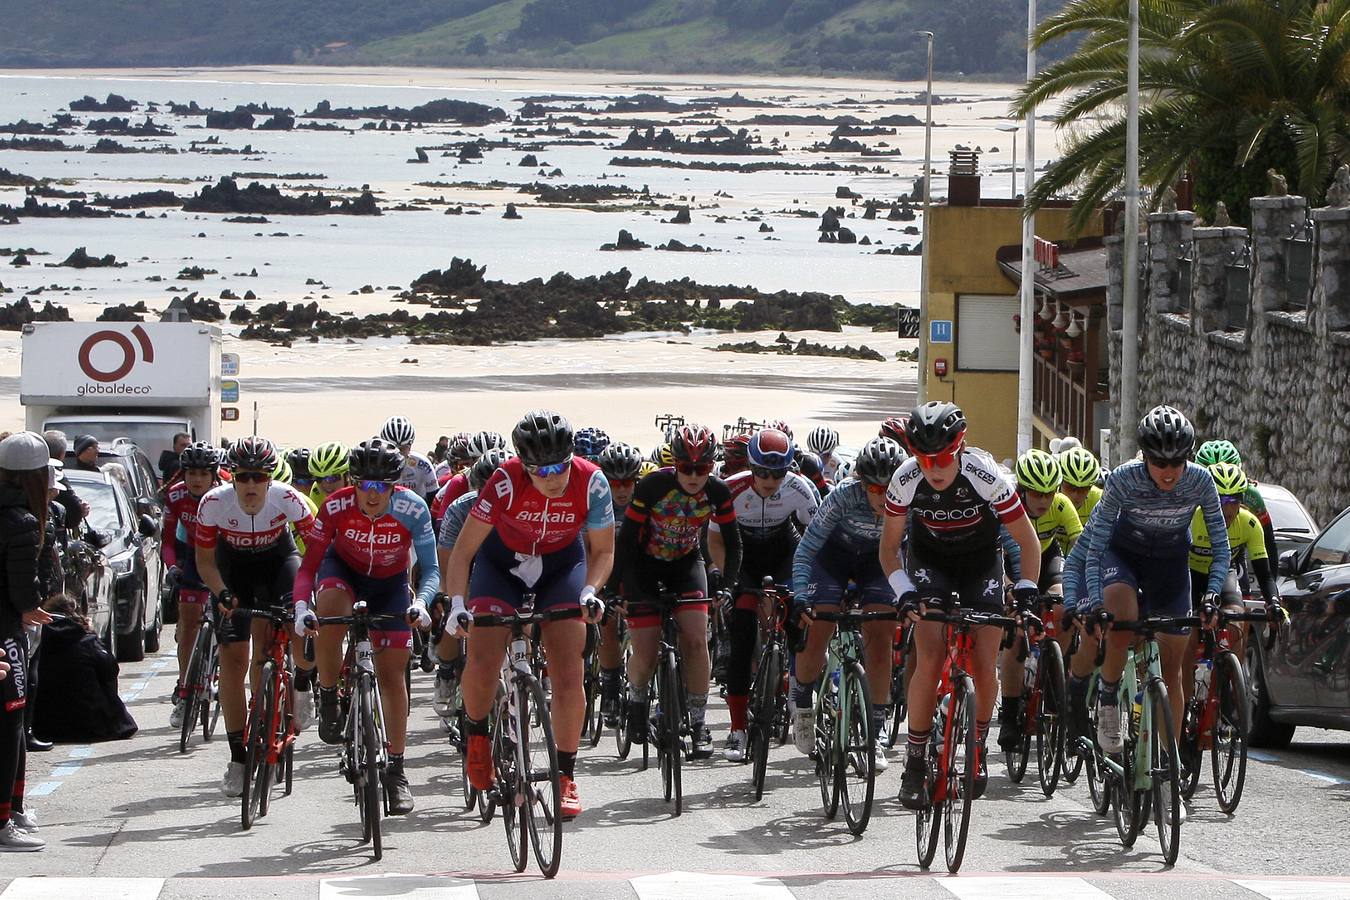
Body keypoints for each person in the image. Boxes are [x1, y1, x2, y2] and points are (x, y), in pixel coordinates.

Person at [446, 411, 613, 819]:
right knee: (484, 659)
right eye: (542, 470)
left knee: (569, 667)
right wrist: (455, 604)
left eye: (561, 466)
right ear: (524, 464)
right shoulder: (504, 480)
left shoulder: (591, 480)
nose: (554, 477)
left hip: (561, 566)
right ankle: (478, 735)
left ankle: (566, 775)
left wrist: (591, 590)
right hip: (499, 567)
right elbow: (464, 552)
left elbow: (604, 550)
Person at [878, 403, 1042, 808]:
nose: (933, 468)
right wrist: (903, 590)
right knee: (929, 657)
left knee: (986, 663)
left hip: (980, 564)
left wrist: (1024, 590)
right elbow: (888, 549)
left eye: (943, 458)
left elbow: (1027, 542)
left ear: (960, 446)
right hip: (929, 563)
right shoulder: (905, 479)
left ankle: (978, 747)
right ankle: (915, 763)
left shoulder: (986, 475)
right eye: (924, 458)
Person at [295, 439, 439, 816]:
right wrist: (299, 606)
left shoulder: (413, 508)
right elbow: (309, 566)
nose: (372, 495)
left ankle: (397, 771)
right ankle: (328, 697)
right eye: (364, 485)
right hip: (342, 572)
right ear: (353, 482)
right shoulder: (335, 505)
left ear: (396, 486)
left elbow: (432, 569)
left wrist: (421, 603)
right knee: (330, 611)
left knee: (392, 676)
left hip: (390, 584)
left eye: (382, 487)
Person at [1081, 405, 1228, 755]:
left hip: (1170, 562)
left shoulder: (1200, 481)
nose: (1169, 471)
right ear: (1144, 457)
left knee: (1174, 670)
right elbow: (1096, 546)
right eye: (1160, 462)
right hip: (1124, 556)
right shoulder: (1122, 478)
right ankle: (1107, 699)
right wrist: (1097, 603)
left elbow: (1221, 547)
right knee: (1123, 621)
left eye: (1177, 462)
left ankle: (1168, 765)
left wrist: (1211, 596)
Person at [194, 437, 317, 798]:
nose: (250, 485)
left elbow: (317, 549)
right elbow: (204, 561)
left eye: (258, 477)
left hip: (278, 563)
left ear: (269, 478)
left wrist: (310, 591)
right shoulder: (214, 503)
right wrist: (221, 593)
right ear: (232, 476)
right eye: (243, 477)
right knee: (233, 662)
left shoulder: (287, 498)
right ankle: (238, 758)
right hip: (233, 571)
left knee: (297, 619)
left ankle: (301, 685)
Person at [614, 424, 740, 761]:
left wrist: (727, 586)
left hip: (686, 564)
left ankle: (698, 723)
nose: (695, 476)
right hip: (644, 565)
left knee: (697, 640)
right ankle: (638, 699)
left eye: (703, 468)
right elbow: (625, 541)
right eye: (687, 468)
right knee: (645, 648)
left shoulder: (718, 491)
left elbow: (732, 543)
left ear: (712, 467)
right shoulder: (653, 485)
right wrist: (616, 590)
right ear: (676, 466)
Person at [791, 438, 903, 771]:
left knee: (881, 639)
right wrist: (800, 596)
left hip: (877, 562)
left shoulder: (911, 501)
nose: (882, 496)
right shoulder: (843, 496)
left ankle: (876, 730)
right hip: (833, 559)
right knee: (818, 628)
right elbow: (807, 549)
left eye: (890, 488)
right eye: (874, 488)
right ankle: (802, 703)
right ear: (860, 482)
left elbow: (916, 553)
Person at [720, 428, 818, 761]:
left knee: (797, 623)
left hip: (783, 550)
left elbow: (814, 536)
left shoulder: (799, 489)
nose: (770, 480)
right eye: (762, 471)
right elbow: (716, 540)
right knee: (742, 636)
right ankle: (737, 729)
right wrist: (728, 580)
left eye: (778, 472)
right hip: (742, 554)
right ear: (751, 465)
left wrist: (808, 582)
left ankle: (797, 695)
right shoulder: (731, 488)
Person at [996, 448, 1080, 751]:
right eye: (1037, 494)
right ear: (1022, 490)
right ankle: (1008, 713)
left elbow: (1079, 545)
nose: (1044, 501)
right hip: (1011, 563)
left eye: (1050, 493)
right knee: (1016, 635)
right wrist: (1008, 588)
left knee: (1063, 607)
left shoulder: (1061, 505)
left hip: (1048, 558)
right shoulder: (1007, 506)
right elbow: (996, 558)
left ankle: (1055, 666)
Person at [0, 431, 55, 850]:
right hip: (6, 631)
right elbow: (22, 587)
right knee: (11, 720)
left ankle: (14, 809)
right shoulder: (21, 519)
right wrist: (32, 606)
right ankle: (5, 819)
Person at [431, 448, 510, 721]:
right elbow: (448, 562)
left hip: (509, 566)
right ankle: (447, 670)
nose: (492, 499)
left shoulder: (525, 506)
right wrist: (452, 599)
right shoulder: (460, 508)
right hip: (468, 563)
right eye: (484, 492)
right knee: (452, 616)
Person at [163, 442, 222, 728]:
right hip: (193, 556)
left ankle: (220, 667)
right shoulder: (175, 496)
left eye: (203, 473)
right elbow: (168, 541)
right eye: (192, 473)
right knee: (188, 624)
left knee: (228, 622)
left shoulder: (225, 496)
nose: (197, 479)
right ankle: (185, 690)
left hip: (225, 556)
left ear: (214, 475)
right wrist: (172, 566)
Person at [32, 595, 137, 743]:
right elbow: (111, 670)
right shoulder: (84, 639)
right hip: (90, 728)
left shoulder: (35, 638)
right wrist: (93, 635)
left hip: (44, 728)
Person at [593, 442, 645, 726]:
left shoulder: (645, 500)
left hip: (634, 570)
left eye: (628, 482)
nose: (622, 490)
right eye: (614, 483)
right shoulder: (594, 501)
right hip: (602, 567)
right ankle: (610, 687)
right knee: (607, 623)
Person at [380, 416, 439, 507]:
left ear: (410, 446)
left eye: (402, 449)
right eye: (392, 448)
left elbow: (433, 500)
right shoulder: (376, 465)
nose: (397, 454)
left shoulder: (423, 464)